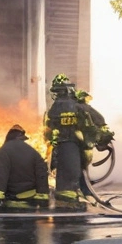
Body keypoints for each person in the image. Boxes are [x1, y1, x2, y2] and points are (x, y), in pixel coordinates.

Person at [43, 74, 90, 211]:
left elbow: (49, 127)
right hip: (77, 144)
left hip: (64, 144)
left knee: (66, 174)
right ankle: (79, 195)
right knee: (77, 171)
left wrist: (50, 141)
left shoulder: (56, 107)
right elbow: (92, 122)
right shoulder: (78, 105)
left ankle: (69, 201)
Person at [0, 125, 50, 212]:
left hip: (11, 206)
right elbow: (42, 175)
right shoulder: (34, 153)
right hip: (30, 204)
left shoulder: (2, 152)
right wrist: (43, 201)